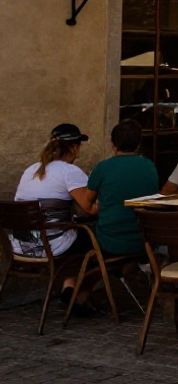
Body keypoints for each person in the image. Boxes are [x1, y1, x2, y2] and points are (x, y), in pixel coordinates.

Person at [11, 124, 98, 315]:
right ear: (74, 147)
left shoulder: (31, 169)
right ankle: (77, 292)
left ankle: (69, 286)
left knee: (76, 236)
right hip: (50, 246)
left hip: (21, 245)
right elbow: (90, 209)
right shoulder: (70, 171)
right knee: (97, 240)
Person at [87, 119, 159, 258]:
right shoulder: (149, 166)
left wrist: (102, 207)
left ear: (113, 144)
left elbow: (86, 204)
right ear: (138, 144)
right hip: (144, 239)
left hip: (110, 241)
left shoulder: (103, 168)